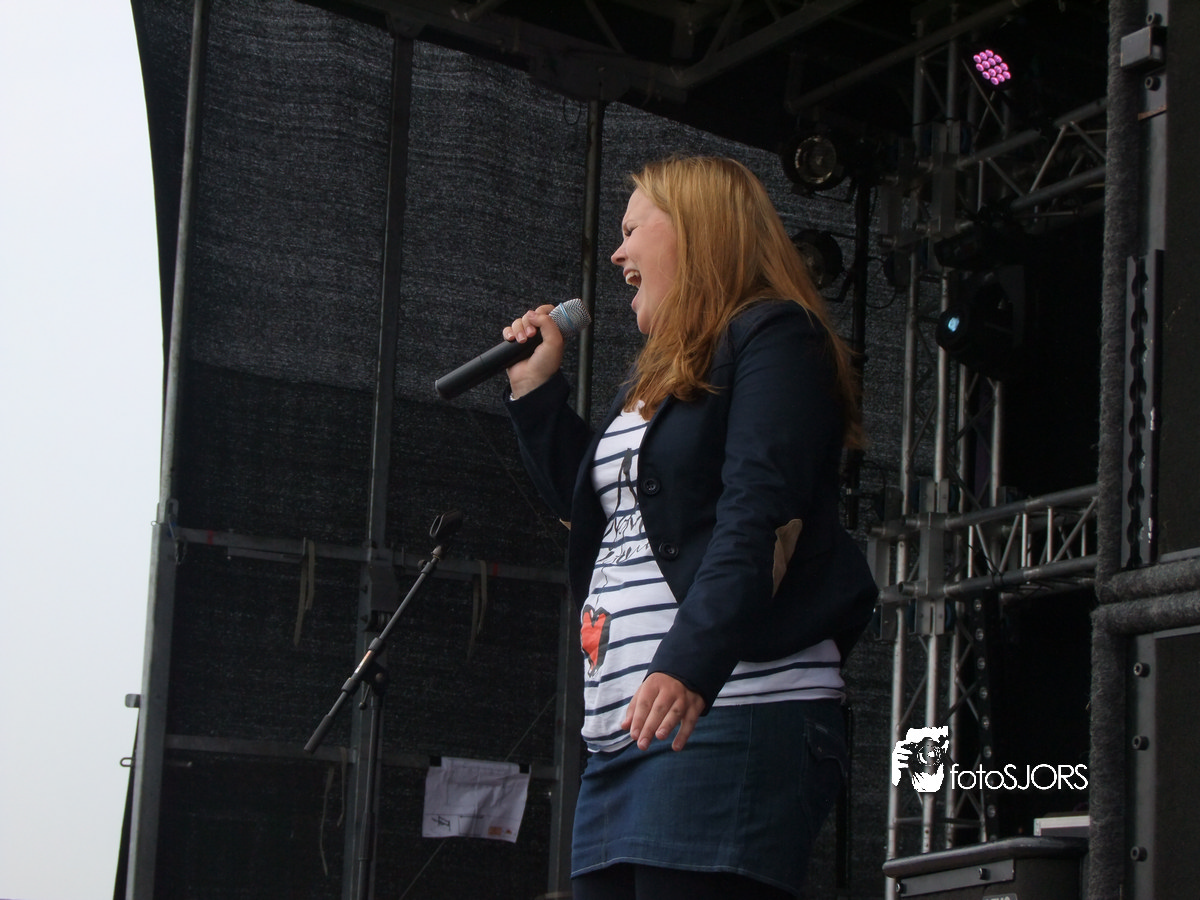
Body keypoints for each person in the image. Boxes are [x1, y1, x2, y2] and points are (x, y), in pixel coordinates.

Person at [502, 155, 878, 899]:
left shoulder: (777, 336)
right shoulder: (657, 380)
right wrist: (536, 393)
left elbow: (757, 512)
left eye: (631, 230)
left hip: (731, 710)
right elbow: (603, 514)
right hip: (626, 735)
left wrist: (688, 664)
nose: (617, 254)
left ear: (696, 231)